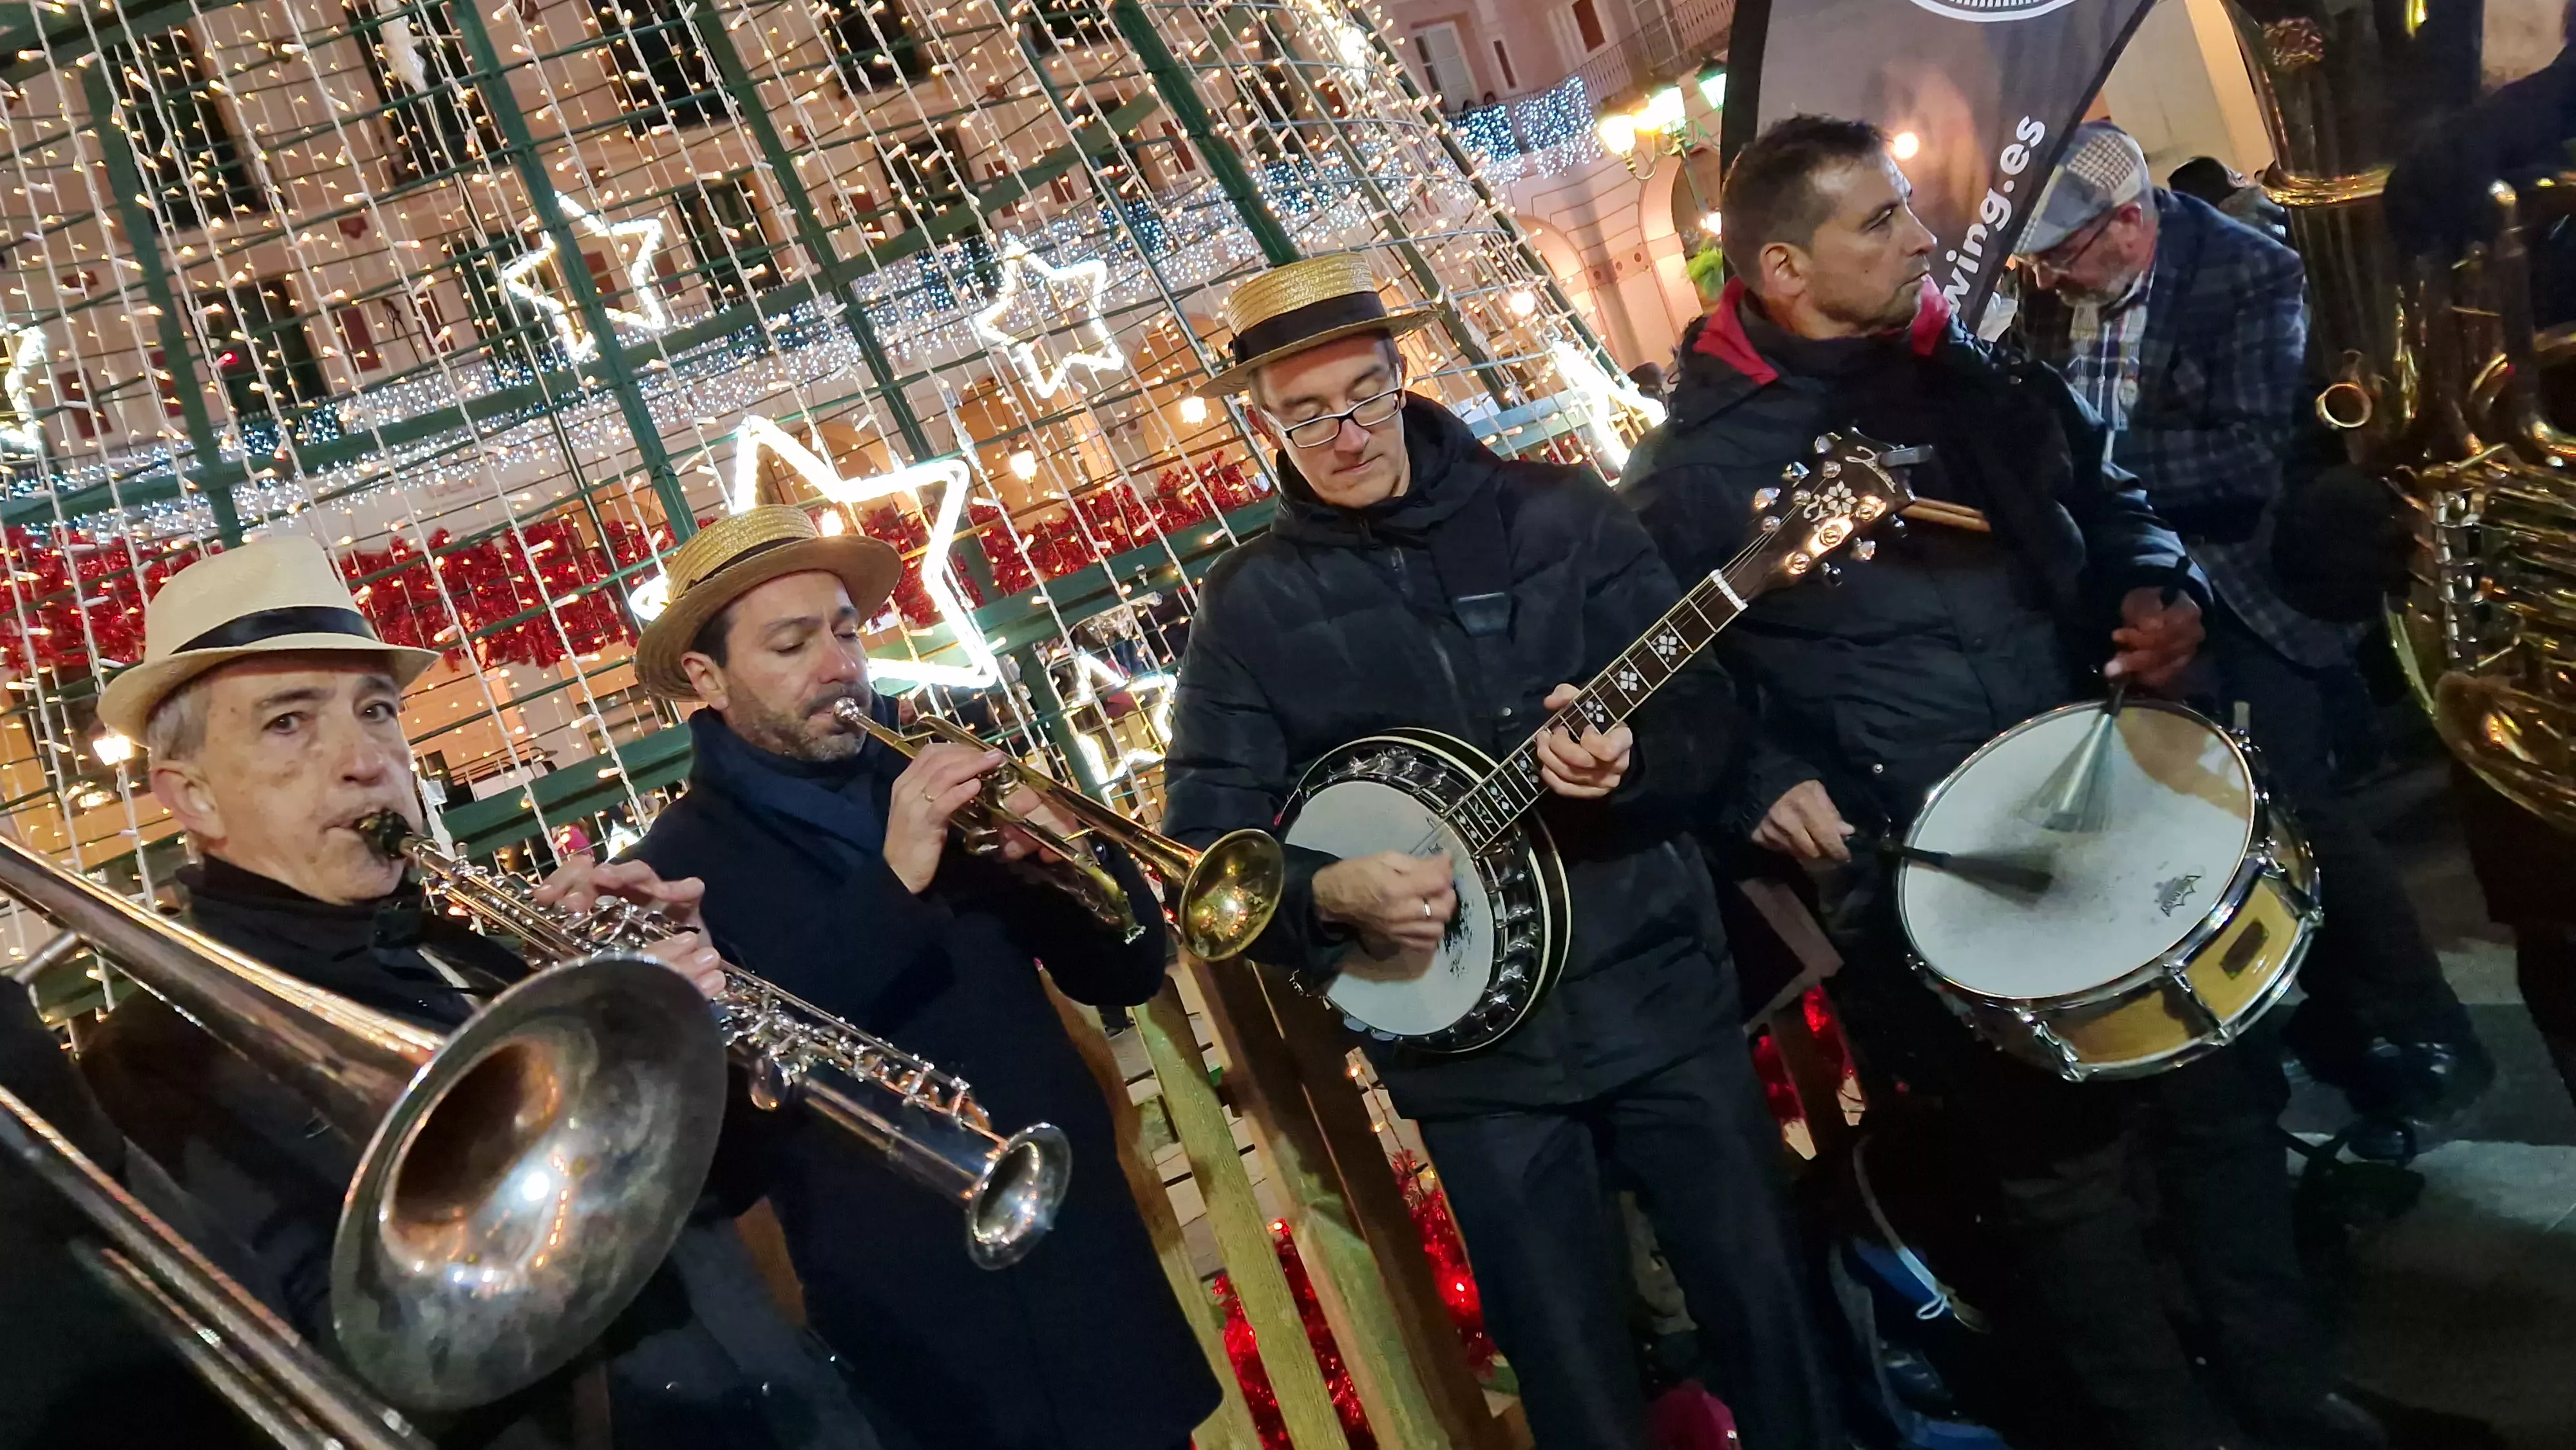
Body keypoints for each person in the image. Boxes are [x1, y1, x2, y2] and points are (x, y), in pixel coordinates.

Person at [1619, 115, 2396, 1450]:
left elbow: (2111, 500)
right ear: (1785, 270)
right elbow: (1672, 688)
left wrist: (2159, 587)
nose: (1924, 240)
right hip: (1920, 873)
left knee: (2219, 1101)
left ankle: (2276, 1386)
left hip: (2097, 795)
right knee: (2059, 1182)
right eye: (1880, 222)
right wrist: (1760, 777)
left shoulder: (1971, 377)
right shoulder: (1691, 477)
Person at [1160, 252, 1844, 1449]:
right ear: (1262, 421)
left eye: (1363, 394)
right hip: (1474, 1065)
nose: (1344, 432)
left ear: (1401, 373)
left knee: (1776, 1333)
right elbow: (1207, 854)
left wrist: (1631, 763)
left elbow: (1708, 719)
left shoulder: (1560, 511)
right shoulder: (1248, 605)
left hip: (1657, 996)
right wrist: (1330, 895)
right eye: (1304, 412)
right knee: (1577, 1388)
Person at [73, 533, 887, 1450]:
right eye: (288, 723)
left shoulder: (469, 953)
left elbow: (708, 1196)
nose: (364, 758)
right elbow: (349, 1362)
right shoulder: (159, 1061)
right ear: (193, 797)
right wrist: (605, 1079)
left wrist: (691, 1039)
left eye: (377, 711)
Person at [615, 506, 1218, 1450]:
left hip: (1088, 1286)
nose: (839, 664)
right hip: (930, 1344)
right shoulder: (683, 871)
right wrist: (892, 881)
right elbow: (740, 1129)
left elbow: (1132, 967)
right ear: (706, 677)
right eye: (791, 643)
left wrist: (1068, 857)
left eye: (846, 631)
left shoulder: (941, 774)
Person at [2012, 122, 2489, 1149]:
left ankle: (2425, 1028)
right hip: (2134, 604)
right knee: (2218, 838)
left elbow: (2241, 463)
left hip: (2248, 594)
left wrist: (2096, 482)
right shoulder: (2055, 305)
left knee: (2301, 814)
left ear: (2128, 224)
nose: (2048, 278)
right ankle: (2341, 1044)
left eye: (2063, 254)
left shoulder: (2247, 271)